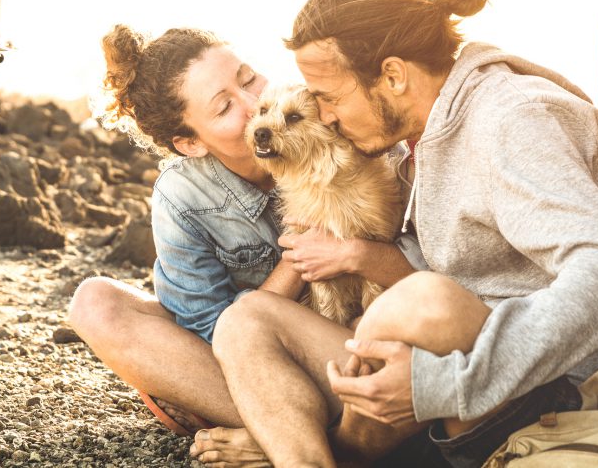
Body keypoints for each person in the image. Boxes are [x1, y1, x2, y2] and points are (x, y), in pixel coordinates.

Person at [202, 0, 598, 468]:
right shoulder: (424, 139)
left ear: (393, 75)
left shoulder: (510, 119)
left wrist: (442, 385)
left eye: (330, 98)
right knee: (244, 321)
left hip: (587, 393)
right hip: (482, 383)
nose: (326, 115)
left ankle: (338, 449)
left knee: (426, 301)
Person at [67, 25, 418, 444]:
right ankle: (289, 427)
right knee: (95, 303)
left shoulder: (342, 129)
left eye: (249, 78)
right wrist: (299, 257)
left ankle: (279, 435)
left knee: (375, 322)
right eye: (223, 107)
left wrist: (355, 252)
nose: (255, 107)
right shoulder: (183, 196)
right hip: (254, 360)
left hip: (349, 344)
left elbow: (431, 273)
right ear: (191, 144)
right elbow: (214, 336)